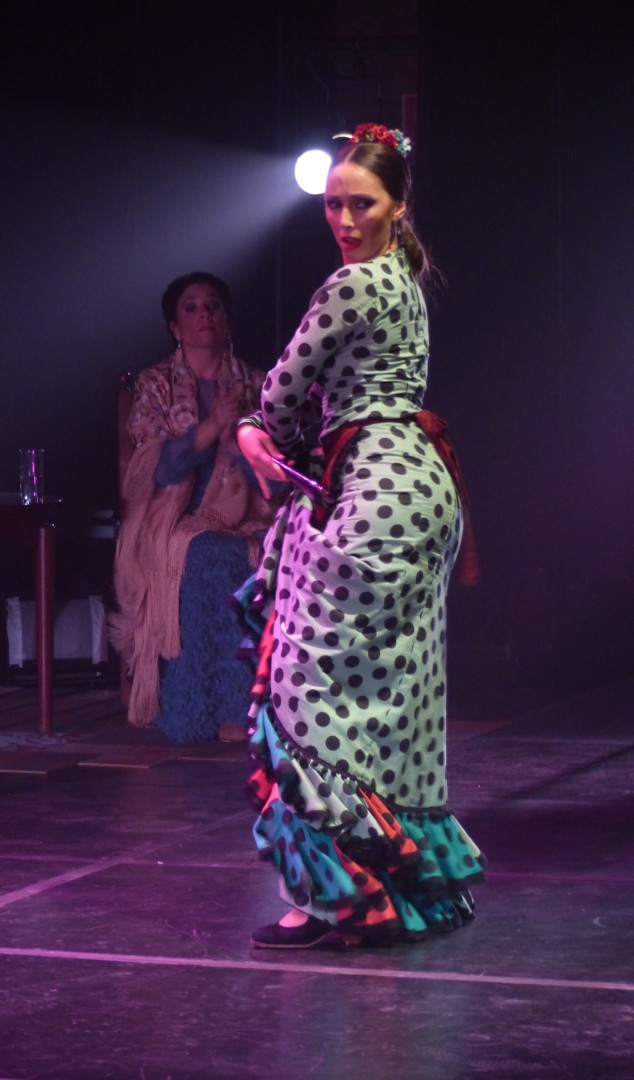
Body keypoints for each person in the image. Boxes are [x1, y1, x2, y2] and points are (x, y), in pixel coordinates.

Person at [235, 123, 484, 948]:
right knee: (391, 700)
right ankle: (406, 894)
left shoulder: (353, 284)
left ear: (398, 205)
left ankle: (334, 899)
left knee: (303, 693)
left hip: (374, 491)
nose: (343, 219)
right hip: (422, 490)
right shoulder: (405, 281)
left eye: (362, 204)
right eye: (333, 204)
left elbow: (281, 392)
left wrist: (252, 433)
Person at [111, 272, 275, 743]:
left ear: (226, 319)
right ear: (175, 327)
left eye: (213, 306)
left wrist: (242, 444)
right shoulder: (155, 385)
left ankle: (281, 710)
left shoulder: (256, 384)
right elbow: (152, 473)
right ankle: (212, 708)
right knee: (209, 554)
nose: (204, 314)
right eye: (192, 307)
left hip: (248, 513)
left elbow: (277, 468)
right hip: (172, 516)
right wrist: (209, 429)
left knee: (288, 549)